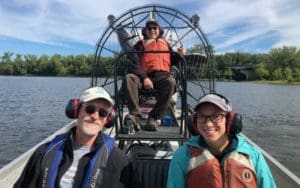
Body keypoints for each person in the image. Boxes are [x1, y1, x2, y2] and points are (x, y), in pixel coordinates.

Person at [14, 87, 129, 188]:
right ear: (76, 110)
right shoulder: (44, 152)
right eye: (90, 109)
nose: (95, 116)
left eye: (102, 113)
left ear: (107, 120)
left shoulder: (118, 160)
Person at [167, 93, 276, 188]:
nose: (208, 124)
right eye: (201, 116)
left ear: (230, 120)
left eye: (216, 116)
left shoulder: (252, 155)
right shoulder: (182, 156)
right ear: (194, 122)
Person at [123, 19, 184, 132]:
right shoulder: (139, 45)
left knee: (171, 82)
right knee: (129, 78)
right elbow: (134, 65)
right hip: (143, 77)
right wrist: (145, 78)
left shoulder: (165, 44)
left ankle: (154, 117)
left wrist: (179, 55)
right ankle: (135, 115)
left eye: (154, 28)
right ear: (145, 31)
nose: (152, 30)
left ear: (159, 30)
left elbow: (173, 61)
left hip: (162, 78)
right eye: (149, 28)